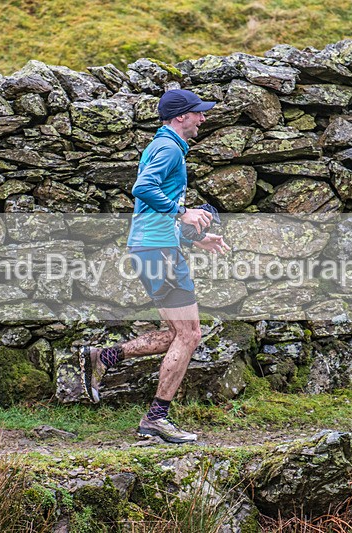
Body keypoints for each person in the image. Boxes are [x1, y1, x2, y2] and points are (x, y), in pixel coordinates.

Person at [80, 89, 230, 444]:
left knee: (180, 334)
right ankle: (155, 420)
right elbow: (142, 189)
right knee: (190, 334)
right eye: (198, 113)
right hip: (157, 251)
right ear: (181, 117)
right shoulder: (168, 148)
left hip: (155, 247)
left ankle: (104, 356)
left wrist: (194, 239)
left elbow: (151, 212)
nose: (203, 119)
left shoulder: (166, 146)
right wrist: (184, 212)